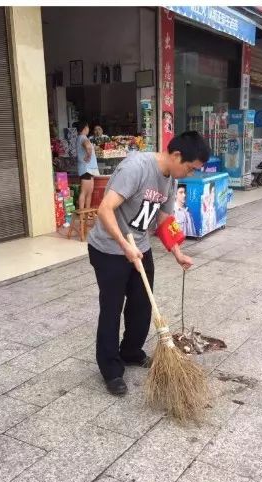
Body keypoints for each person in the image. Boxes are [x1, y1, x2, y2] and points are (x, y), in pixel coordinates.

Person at [85, 131, 210, 396]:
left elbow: (164, 219)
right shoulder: (136, 168)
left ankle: (130, 351)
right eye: (189, 168)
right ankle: (110, 369)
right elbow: (105, 209)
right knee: (112, 308)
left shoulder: (171, 179)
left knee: (142, 304)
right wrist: (124, 245)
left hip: (139, 247)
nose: (188, 174)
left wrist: (177, 252)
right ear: (176, 155)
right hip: (109, 248)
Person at [76, 122, 99, 214]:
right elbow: (88, 146)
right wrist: (89, 155)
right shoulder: (83, 137)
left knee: (89, 192)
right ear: (85, 128)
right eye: (88, 127)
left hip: (89, 168)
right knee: (84, 192)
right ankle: (82, 212)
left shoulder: (81, 138)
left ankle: (87, 212)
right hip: (86, 168)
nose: (89, 129)